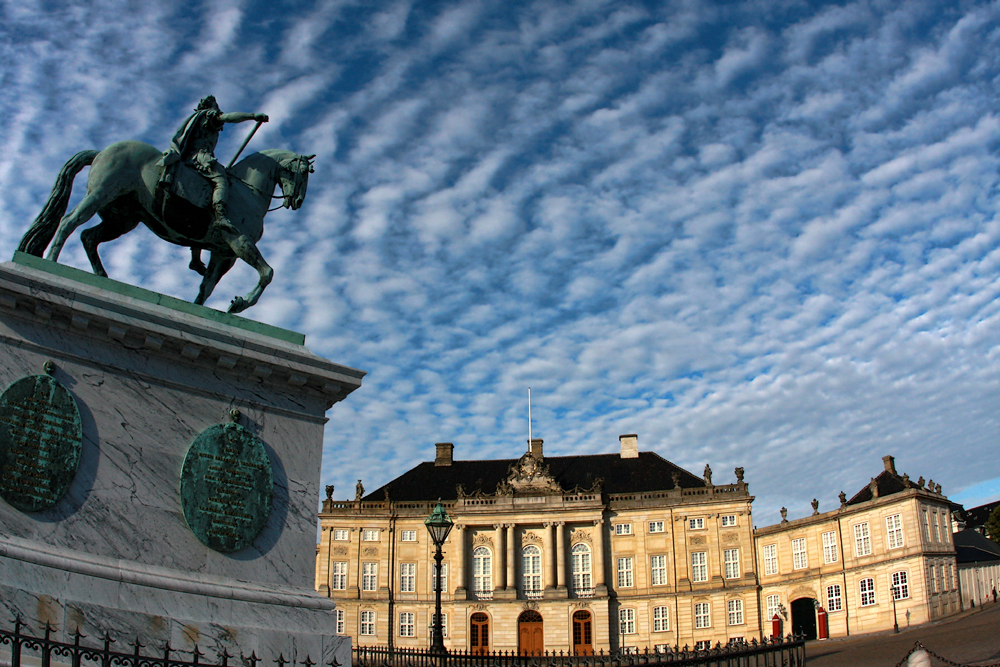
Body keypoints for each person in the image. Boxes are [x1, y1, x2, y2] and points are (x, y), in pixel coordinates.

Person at [159, 95, 268, 269]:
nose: (219, 109)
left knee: (201, 202)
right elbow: (228, 117)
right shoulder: (209, 115)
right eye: (217, 106)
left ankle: (195, 258)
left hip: (193, 157)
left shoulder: (198, 118)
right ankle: (221, 216)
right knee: (221, 180)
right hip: (200, 157)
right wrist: (253, 116)